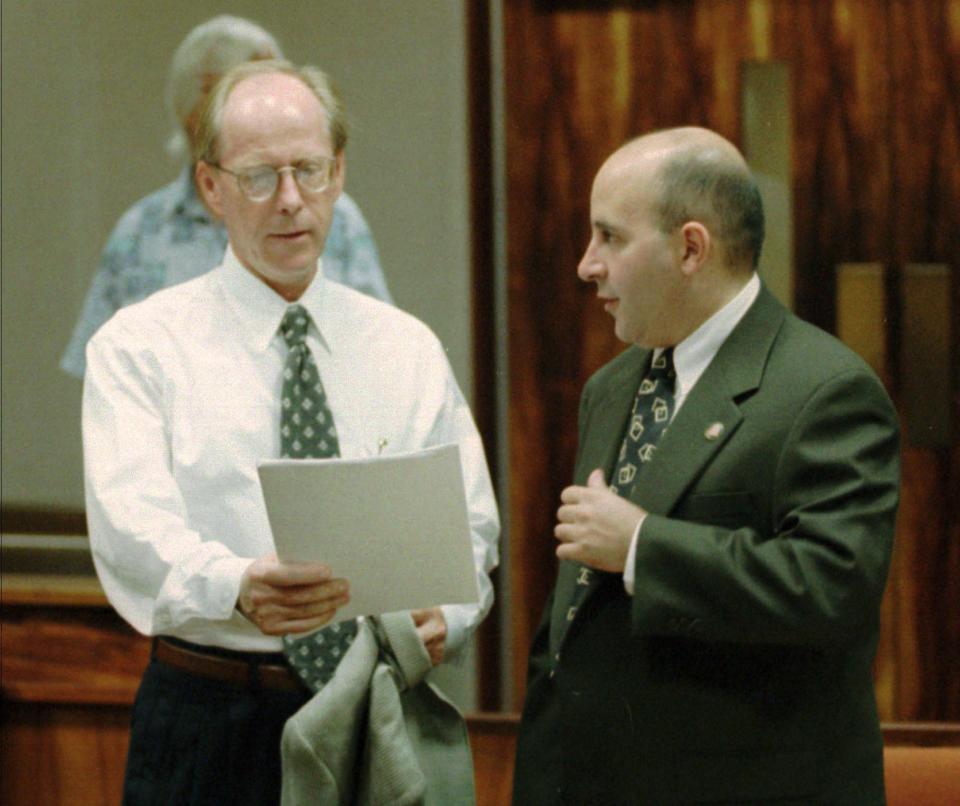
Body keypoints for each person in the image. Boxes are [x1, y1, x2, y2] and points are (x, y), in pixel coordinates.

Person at [83, 59, 498, 805]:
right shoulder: (140, 346)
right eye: (258, 176)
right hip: (214, 714)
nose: (290, 201)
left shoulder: (405, 348)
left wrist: (453, 617)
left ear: (338, 173)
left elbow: (469, 529)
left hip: (377, 705)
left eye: (309, 170)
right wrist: (237, 586)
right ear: (211, 186)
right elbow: (130, 530)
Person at [512, 127, 900, 804]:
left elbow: (832, 586)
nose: (585, 265)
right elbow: (576, 624)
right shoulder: (612, 387)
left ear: (691, 247)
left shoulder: (824, 389)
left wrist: (640, 545)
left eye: (610, 238)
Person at [61, 15, 391, 379]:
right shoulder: (141, 232)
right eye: (239, 95)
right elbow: (104, 373)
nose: (289, 201)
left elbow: (375, 347)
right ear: (191, 115)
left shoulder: (334, 216)